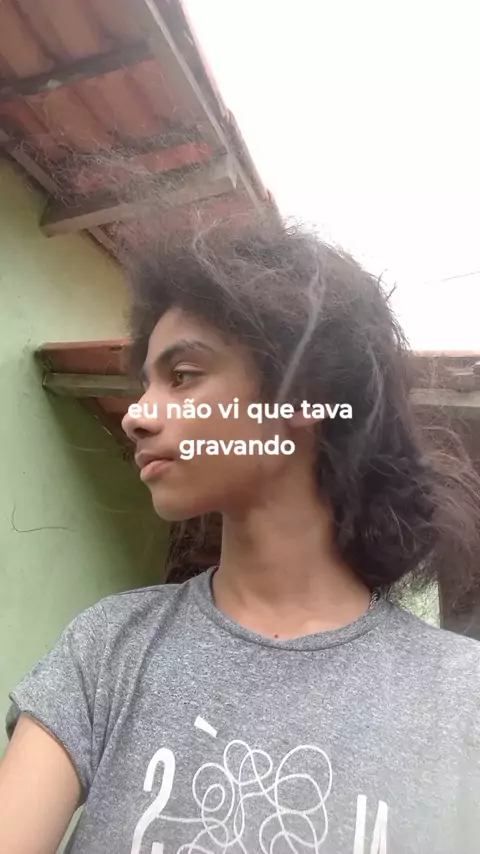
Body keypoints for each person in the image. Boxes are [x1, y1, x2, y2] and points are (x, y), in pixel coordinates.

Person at [2, 216, 480, 854]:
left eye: (183, 375)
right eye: (145, 385)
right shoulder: (109, 649)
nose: (137, 416)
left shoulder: (460, 699)